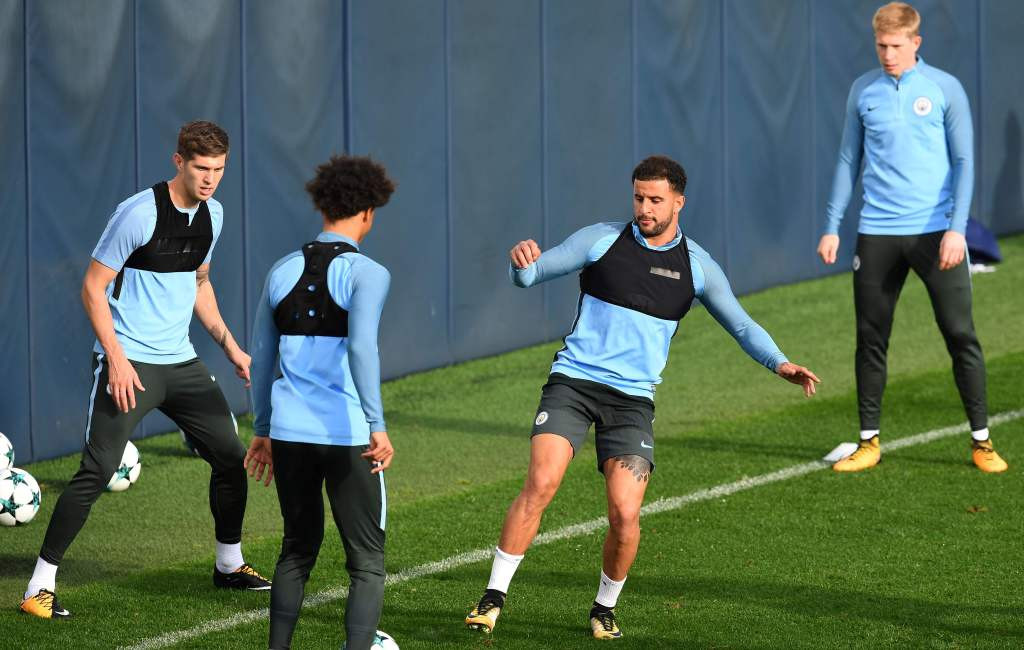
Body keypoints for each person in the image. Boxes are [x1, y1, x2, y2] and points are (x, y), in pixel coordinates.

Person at [464, 155, 820, 640]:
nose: (645, 208)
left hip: (631, 402)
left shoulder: (697, 266)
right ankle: (492, 597)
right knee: (542, 482)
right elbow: (532, 275)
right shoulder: (601, 239)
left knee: (625, 513)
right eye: (638, 197)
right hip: (573, 384)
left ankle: (604, 607)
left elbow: (739, 323)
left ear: (679, 201)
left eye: (655, 200)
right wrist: (519, 264)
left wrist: (778, 362)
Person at [19, 121, 271, 620]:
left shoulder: (213, 215)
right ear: (178, 161)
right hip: (130, 361)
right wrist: (114, 358)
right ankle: (38, 587)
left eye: (219, 169)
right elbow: (93, 288)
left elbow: (200, 284)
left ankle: (229, 565)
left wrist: (232, 348)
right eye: (202, 168)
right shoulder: (138, 214)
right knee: (98, 469)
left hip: (182, 363)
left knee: (229, 456)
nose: (210, 179)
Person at [817, 2, 1007, 473]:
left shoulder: (944, 88)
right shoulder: (863, 91)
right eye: (880, 45)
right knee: (870, 338)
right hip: (877, 233)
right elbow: (847, 161)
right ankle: (868, 441)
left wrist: (957, 230)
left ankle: (981, 442)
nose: (887, 54)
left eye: (896, 46)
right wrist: (831, 225)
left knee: (961, 334)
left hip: (936, 233)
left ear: (915, 42)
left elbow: (964, 163)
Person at [244, 155, 396, 650]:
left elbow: (261, 358)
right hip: (348, 434)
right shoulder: (368, 273)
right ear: (369, 211)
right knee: (366, 561)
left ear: (322, 204)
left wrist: (262, 429)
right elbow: (360, 347)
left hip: (288, 435)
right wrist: (377, 423)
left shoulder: (281, 269)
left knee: (296, 550)